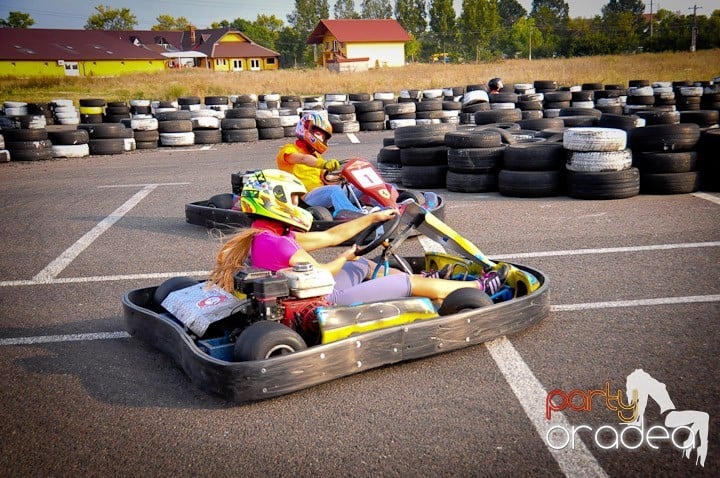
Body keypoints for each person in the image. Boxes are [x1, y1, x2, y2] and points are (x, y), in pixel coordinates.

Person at [208, 169, 508, 307]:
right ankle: (476, 286)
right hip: (323, 303)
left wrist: (373, 218)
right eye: (295, 200)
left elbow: (331, 235)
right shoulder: (278, 242)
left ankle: (438, 285)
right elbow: (322, 277)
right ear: (275, 201)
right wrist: (343, 258)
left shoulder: (264, 236)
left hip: (303, 297)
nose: (299, 205)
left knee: (361, 266)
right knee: (406, 283)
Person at [276, 111, 364, 220]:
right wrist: (323, 164)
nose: (321, 139)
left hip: (323, 194)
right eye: (318, 134)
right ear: (306, 129)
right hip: (305, 197)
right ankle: (352, 215)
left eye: (323, 137)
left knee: (361, 184)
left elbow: (327, 179)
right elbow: (304, 159)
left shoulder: (316, 156)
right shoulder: (288, 150)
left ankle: (385, 209)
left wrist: (345, 177)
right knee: (334, 190)